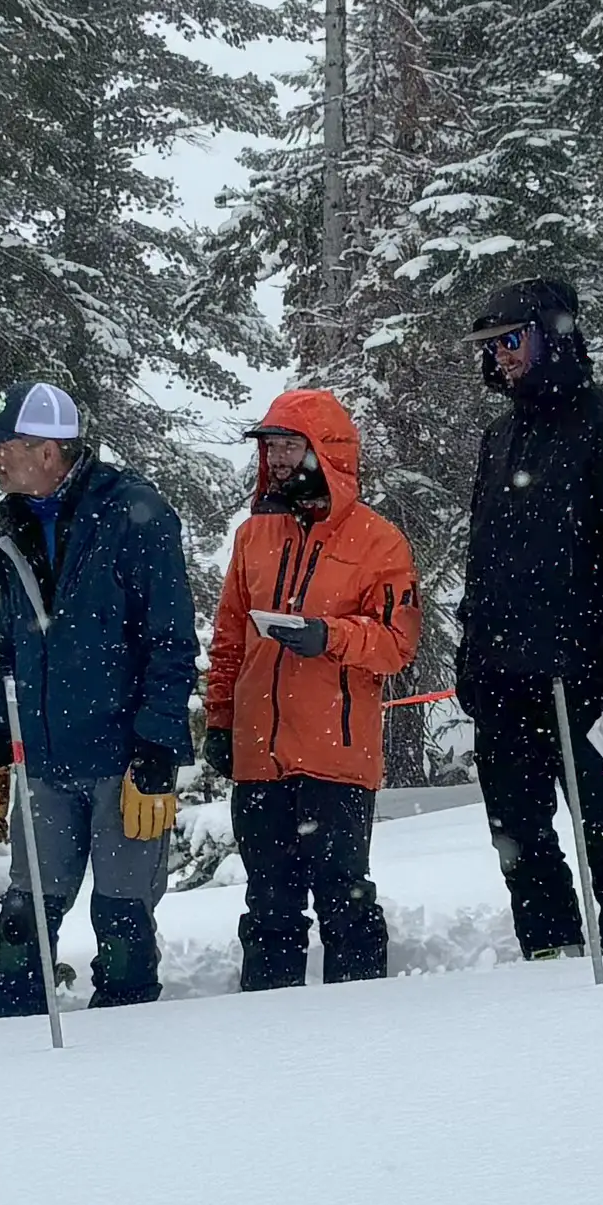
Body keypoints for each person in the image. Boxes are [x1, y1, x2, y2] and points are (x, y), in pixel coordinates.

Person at [450, 272, 603, 960]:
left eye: (512, 341)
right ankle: (548, 952)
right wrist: (472, 648)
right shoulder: (501, 436)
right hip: (504, 672)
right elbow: (484, 549)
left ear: (551, 337)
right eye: (491, 347)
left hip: (579, 668)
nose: (502, 357)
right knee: (516, 827)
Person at [0, 381, 195, 1016]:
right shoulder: (12, 528)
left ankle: (124, 1058)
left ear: (46, 450)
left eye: (3, 445)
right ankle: (4, 1042)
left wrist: (154, 752)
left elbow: (171, 643)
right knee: (24, 918)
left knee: (121, 919)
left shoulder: (133, 514)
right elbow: (8, 651)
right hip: (42, 762)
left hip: (121, 763)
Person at [200, 388, 420, 991]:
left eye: (289, 444)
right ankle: (269, 1029)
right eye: (270, 446)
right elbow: (228, 641)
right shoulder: (254, 537)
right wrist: (219, 722)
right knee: (269, 908)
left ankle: (360, 1023)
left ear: (328, 452)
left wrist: (330, 636)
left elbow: (397, 643)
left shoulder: (381, 542)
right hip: (258, 755)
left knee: (344, 903)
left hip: (336, 757)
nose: (275, 458)